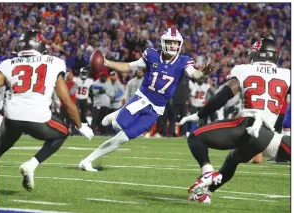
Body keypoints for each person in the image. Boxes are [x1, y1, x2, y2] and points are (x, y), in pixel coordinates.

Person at [79, 28, 214, 171]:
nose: (173, 46)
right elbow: (129, 66)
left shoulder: (184, 61)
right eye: (170, 42)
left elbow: (195, 74)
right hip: (141, 99)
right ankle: (118, 115)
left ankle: (87, 161)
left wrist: (203, 73)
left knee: (122, 138)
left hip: (156, 109)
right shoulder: (152, 54)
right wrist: (106, 62)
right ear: (163, 43)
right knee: (117, 124)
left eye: (176, 43)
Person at [179, 38, 291, 203]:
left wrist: (201, 114)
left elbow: (223, 97)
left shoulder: (244, 69)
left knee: (195, 137)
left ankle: (208, 172)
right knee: (232, 160)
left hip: (246, 126)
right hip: (266, 136)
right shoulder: (287, 74)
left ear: (255, 54)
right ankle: (205, 192)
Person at [0, 30, 94, 191]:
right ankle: (31, 164)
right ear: (41, 46)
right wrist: (80, 125)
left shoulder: (8, 63)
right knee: (62, 132)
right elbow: (66, 101)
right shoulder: (54, 62)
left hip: (12, 117)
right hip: (38, 118)